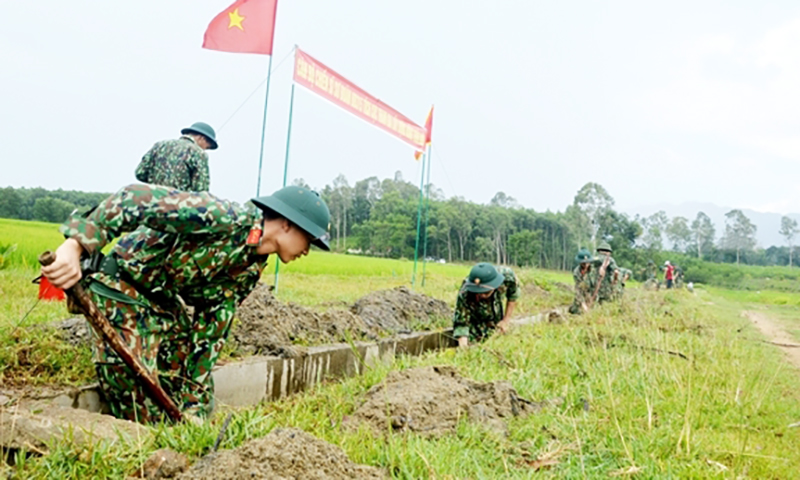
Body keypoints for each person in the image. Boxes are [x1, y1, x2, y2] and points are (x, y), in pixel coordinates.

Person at [41, 184, 330, 423]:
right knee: (139, 397)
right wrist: (75, 245)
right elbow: (134, 199)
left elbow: (213, 325)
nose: (308, 250)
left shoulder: (249, 267)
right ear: (287, 224)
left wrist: (193, 408)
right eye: (310, 239)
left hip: (160, 300)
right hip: (120, 284)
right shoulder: (221, 217)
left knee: (190, 392)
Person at [135, 122, 218, 191]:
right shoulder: (199, 153)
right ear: (201, 138)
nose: (205, 150)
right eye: (206, 147)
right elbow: (202, 190)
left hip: (154, 203)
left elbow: (140, 173)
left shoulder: (159, 145)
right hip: (179, 207)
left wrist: (156, 186)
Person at [453, 263, 520, 348]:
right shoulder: (465, 292)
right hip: (476, 317)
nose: (481, 295)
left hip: (496, 310)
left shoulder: (507, 277)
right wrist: (464, 347)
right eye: (478, 292)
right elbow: (462, 323)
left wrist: (506, 320)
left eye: (485, 292)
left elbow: (513, 295)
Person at [569, 249, 595, 314]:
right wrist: (583, 304)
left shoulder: (595, 270)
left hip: (595, 295)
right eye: (583, 263)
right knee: (576, 310)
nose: (586, 265)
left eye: (587, 263)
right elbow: (578, 290)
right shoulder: (577, 272)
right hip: (583, 295)